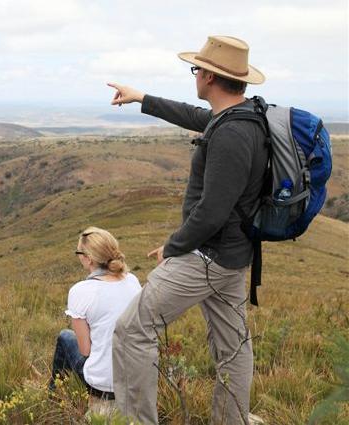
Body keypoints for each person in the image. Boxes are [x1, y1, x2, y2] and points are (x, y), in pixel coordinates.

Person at [107, 36, 268, 424]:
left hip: (208, 257)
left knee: (131, 330)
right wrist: (141, 98)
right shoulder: (243, 117)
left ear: (210, 76)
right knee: (233, 347)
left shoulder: (231, 134)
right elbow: (194, 116)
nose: (194, 76)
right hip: (232, 256)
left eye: (197, 69)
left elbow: (212, 211)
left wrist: (174, 247)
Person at [50, 226, 141, 400]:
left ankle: (54, 395)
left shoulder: (81, 291)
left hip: (103, 386)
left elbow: (85, 350)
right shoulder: (132, 280)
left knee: (64, 337)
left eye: (79, 252)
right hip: (137, 379)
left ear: (88, 259)